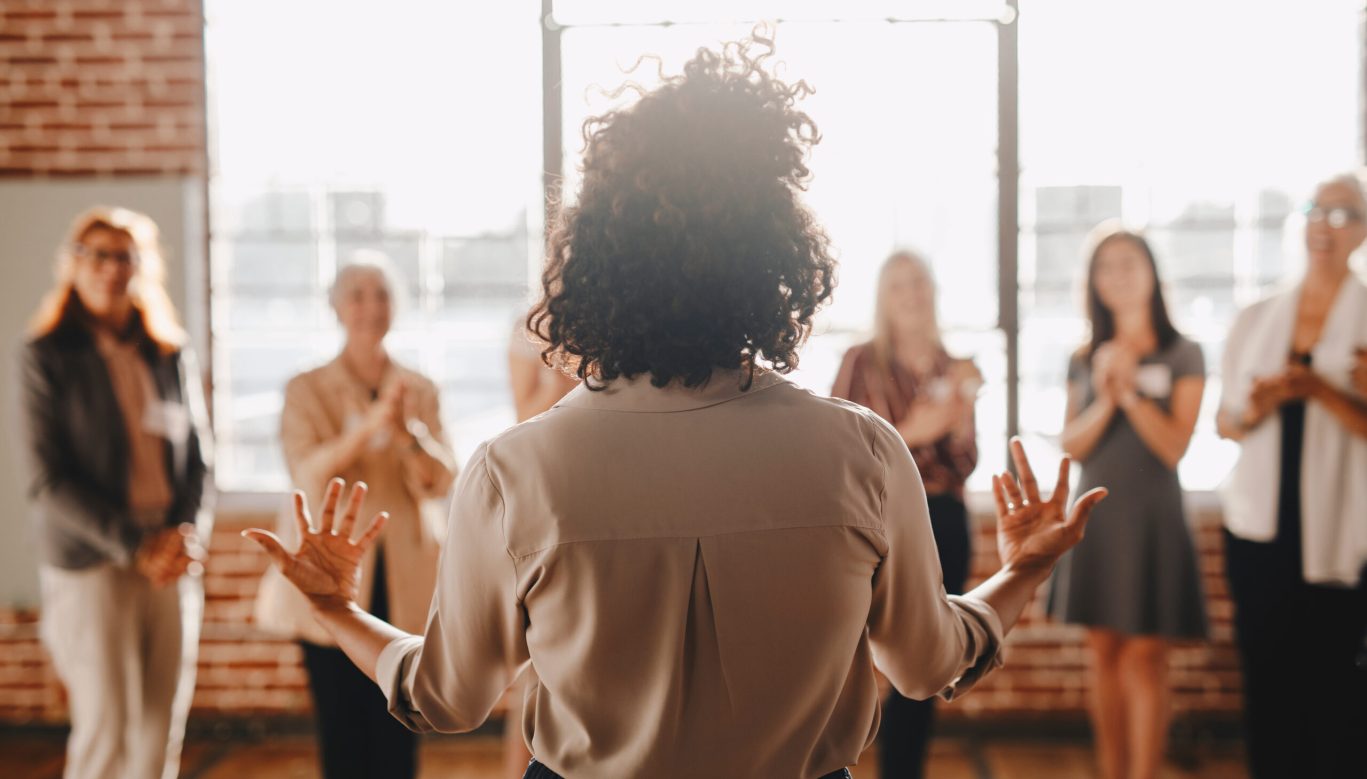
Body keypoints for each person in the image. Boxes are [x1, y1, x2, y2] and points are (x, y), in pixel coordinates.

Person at [245, 37, 1106, 778]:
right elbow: (926, 665)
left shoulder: (515, 470)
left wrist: (335, 608)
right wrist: (1025, 566)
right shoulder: (863, 453)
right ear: (777, 264)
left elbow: (445, 696)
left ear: (590, 267)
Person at [21, 206, 212, 779]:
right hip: (93, 561)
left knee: (159, 730)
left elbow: (200, 460)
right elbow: (47, 479)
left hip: (170, 560)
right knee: (106, 730)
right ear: (74, 266)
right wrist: (137, 546)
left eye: (125, 256)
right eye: (99, 255)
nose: (112, 268)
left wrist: (182, 536)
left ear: (143, 267)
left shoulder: (168, 353)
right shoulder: (46, 356)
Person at [253, 254, 457, 779]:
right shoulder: (306, 388)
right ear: (336, 307)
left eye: (382, 294)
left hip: (406, 576)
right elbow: (308, 473)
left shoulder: (420, 387)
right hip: (330, 570)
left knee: (402, 719)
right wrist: (367, 429)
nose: (371, 306)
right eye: (358, 295)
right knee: (341, 729)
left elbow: (443, 480)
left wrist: (410, 432)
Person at [1215, 172, 1367, 779]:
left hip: (1342, 533)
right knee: (1268, 679)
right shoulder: (1257, 317)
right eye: (1315, 209)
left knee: (1336, 689)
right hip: (1261, 530)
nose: (1323, 224)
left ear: (1361, 230)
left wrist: (1322, 392)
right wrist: (1261, 405)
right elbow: (1227, 423)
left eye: (1341, 214)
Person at [1050, 223, 1208, 779]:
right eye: (1105, 266)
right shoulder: (1083, 356)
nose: (1117, 275)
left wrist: (1129, 391)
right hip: (1097, 516)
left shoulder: (1184, 352)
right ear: (1093, 282)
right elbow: (1071, 442)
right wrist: (1106, 396)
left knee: (1147, 654)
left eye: (1128, 263)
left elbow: (1173, 448)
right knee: (1104, 651)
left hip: (1154, 517)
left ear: (1151, 274)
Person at [831, 250, 981, 779]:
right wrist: (914, 431)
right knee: (849, 654)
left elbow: (964, 463)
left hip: (943, 520)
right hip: (873, 519)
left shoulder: (955, 367)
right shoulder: (860, 361)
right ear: (883, 300)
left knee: (928, 664)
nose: (912, 294)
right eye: (899, 286)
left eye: (919, 282)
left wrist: (959, 420)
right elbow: (840, 453)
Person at [500, 320, 579, 777]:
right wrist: (560, 375)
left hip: (609, 476)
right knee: (535, 657)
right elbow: (523, 419)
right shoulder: (531, 326)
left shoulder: (632, 304)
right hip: (548, 487)